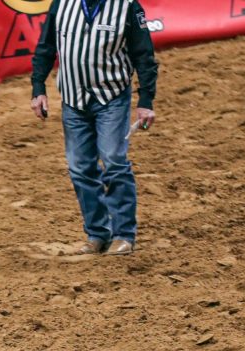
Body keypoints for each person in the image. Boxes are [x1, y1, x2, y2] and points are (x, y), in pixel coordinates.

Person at [30, 0, 158, 256]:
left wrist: (145, 101)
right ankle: (98, 233)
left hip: (111, 97)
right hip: (73, 99)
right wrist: (38, 88)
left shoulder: (127, 7)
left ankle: (123, 234)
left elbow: (143, 55)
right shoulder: (61, 4)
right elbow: (46, 47)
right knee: (80, 167)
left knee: (113, 160)